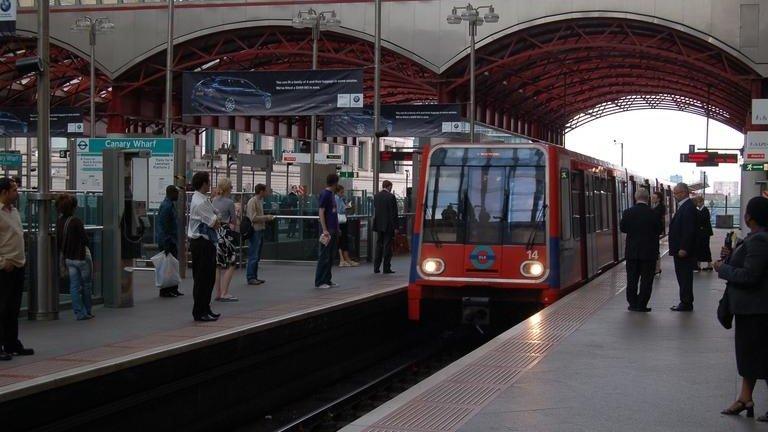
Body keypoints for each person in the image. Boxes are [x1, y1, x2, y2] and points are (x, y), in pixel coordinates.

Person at [716, 196, 768, 421]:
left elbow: (750, 276)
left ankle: (745, 399)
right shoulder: (756, 239)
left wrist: (722, 269)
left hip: (756, 310)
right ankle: (744, 398)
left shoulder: (759, 241)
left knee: (761, 358)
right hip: (753, 309)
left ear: (750, 217)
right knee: (750, 357)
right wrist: (731, 258)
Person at [0, 178, 33, 360]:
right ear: (4, 192)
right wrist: (3, 263)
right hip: (5, 268)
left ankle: (12, 343)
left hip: (18, 265)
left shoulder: (13, 211)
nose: (17, 192)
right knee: (1, 308)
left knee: (13, 308)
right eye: (13, 190)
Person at [619, 188, 661, 312]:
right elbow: (659, 230)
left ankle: (632, 303)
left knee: (632, 278)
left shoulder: (628, 212)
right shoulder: (653, 213)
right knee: (646, 280)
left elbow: (623, 228)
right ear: (647, 198)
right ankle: (642, 304)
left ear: (635, 198)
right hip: (649, 253)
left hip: (632, 252)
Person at [187, 172, 221, 322]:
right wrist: (217, 218)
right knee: (203, 278)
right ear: (203, 184)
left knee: (208, 278)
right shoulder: (200, 202)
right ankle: (199, 311)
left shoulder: (202, 199)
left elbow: (216, 214)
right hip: (201, 242)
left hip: (206, 242)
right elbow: (214, 221)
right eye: (208, 182)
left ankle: (205, 308)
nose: (210, 185)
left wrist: (216, 217)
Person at [56, 194, 94, 320]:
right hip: (81, 257)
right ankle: (87, 310)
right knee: (86, 285)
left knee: (74, 286)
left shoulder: (60, 222)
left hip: (69, 258)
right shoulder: (76, 221)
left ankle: (78, 312)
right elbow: (85, 239)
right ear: (73, 207)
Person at [669, 182, 698, 312]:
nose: (674, 196)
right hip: (680, 249)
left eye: (676, 193)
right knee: (682, 276)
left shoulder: (688, 207)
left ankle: (686, 302)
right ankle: (685, 301)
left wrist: (684, 248)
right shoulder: (686, 206)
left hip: (683, 251)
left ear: (684, 193)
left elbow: (689, 230)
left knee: (684, 276)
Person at [213, 178, 239, 302]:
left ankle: (218, 293)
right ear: (228, 188)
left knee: (217, 264)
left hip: (216, 233)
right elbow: (233, 220)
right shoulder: (229, 202)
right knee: (232, 262)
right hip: (226, 234)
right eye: (231, 187)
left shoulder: (213, 200)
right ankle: (225, 292)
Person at [156, 185, 183, 298]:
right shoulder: (166, 206)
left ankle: (173, 288)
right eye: (176, 193)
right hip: (168, 240)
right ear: (171, 193)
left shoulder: (170, 205)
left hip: (171, 239)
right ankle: (166, 290)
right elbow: (164, 226)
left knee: (172, 265)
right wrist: (166, 242)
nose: (178, 196)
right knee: (167, 266)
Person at [245, 183, 274, 285]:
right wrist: (266, 217)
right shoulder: (252, 202)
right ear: (261, 191)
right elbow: (253, 218)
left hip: (260, 229)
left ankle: (254, 276)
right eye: (265, 191)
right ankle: (251, 277)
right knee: (253, 254)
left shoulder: (259, 201)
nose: (266, 193)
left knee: (256, 254)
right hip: (255, 230)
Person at [315, 174, 340, 289]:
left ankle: (327, 279)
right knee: (324, 255)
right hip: (327, 230)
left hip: (333, 229)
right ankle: (320, 281)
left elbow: (333, 213)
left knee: (330, 256)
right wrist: (324, 229)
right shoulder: (325, 194)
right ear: (335, 183)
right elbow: (321, 212)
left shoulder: (331, 195)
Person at [373, 180, 399, 274]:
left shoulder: (376, 196)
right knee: (387, 246)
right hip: (388, 225)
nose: (391, 188)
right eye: (391, 187)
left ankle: (376, 268)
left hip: (379, 224)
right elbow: (394, 213)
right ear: (388, 186)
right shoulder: (391, 197)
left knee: (379, 245)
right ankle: (386, 268)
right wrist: (396, 227)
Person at [335, 185, 358, 267]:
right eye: (341, 192)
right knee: (341, 240)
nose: (343, 193)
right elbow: (339, 210)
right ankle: (342, 259)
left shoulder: (341, 199)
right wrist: (347, 207)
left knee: (344, 240)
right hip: (339, 222)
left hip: (343, 221)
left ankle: (346, 259)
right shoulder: (336, 199)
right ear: (337, 192)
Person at [693, 196, 714, 271]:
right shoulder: (700, 210)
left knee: (705, 247)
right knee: (699, 248)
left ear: (702, 202)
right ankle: (699, 264)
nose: (697, 204)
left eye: (698, 202)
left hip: (704, 233)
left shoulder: (705, 210)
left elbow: (702, 220)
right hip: (702, 233)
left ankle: (709, 265)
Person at [651, 191, 667, 275]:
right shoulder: (656, 207)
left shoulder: (660, 208)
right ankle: (657, 268)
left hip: (655, 232)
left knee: (656, 250)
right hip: (655, 232)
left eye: (654, 198)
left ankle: (657, 268)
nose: (652, 199)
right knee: (655, 249)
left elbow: (659, 220)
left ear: (659, 199)